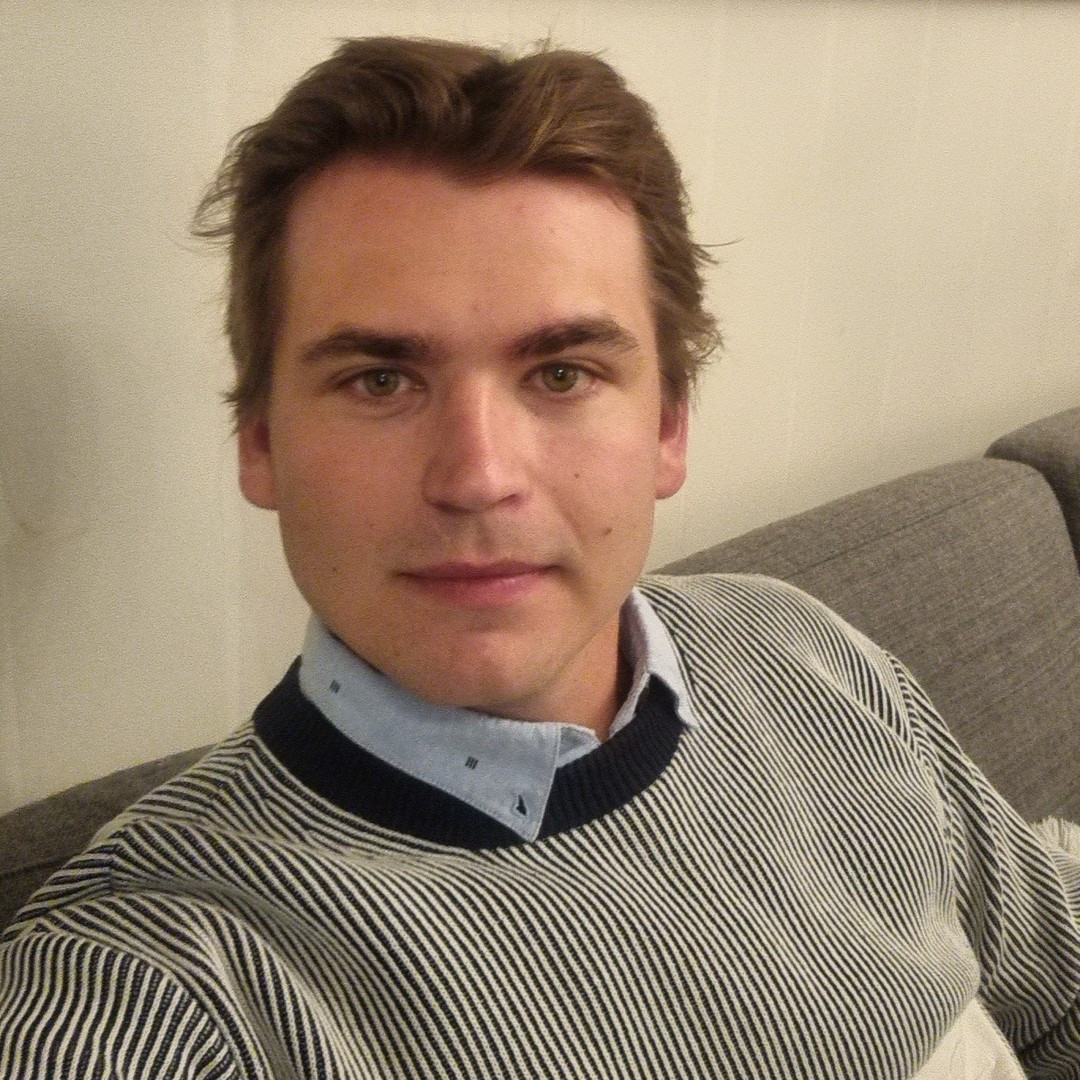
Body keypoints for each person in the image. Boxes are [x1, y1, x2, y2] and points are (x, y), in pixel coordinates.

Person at [0, 36, 1077, 1080]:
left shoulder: (800, 648)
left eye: (561, 374)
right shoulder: (154, 978)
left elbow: (1058, 991)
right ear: (262, 443)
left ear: (669, 427)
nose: (477, 476)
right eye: (381, 380)